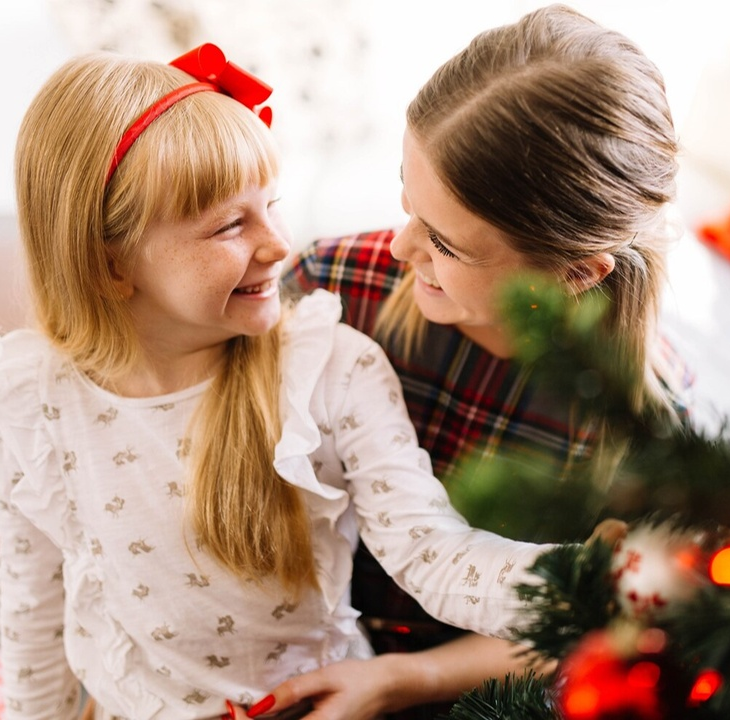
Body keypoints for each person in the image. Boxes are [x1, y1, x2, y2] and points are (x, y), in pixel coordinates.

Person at [0, 42, 564, 720]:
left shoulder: (329, 369)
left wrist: (597, 586)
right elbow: (32, 606)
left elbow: (433, 554)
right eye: (230, 224)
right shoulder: (34, 400)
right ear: (109, 266)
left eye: (273, 205)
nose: (280, 245)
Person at [272, 4, 690, 719]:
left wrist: (404, 682)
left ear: (574, 275)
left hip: (485, 694)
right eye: (407, 197)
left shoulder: (644, 428)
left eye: (446, 244)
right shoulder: (333, 289)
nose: (404, 248)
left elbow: (593, 623)